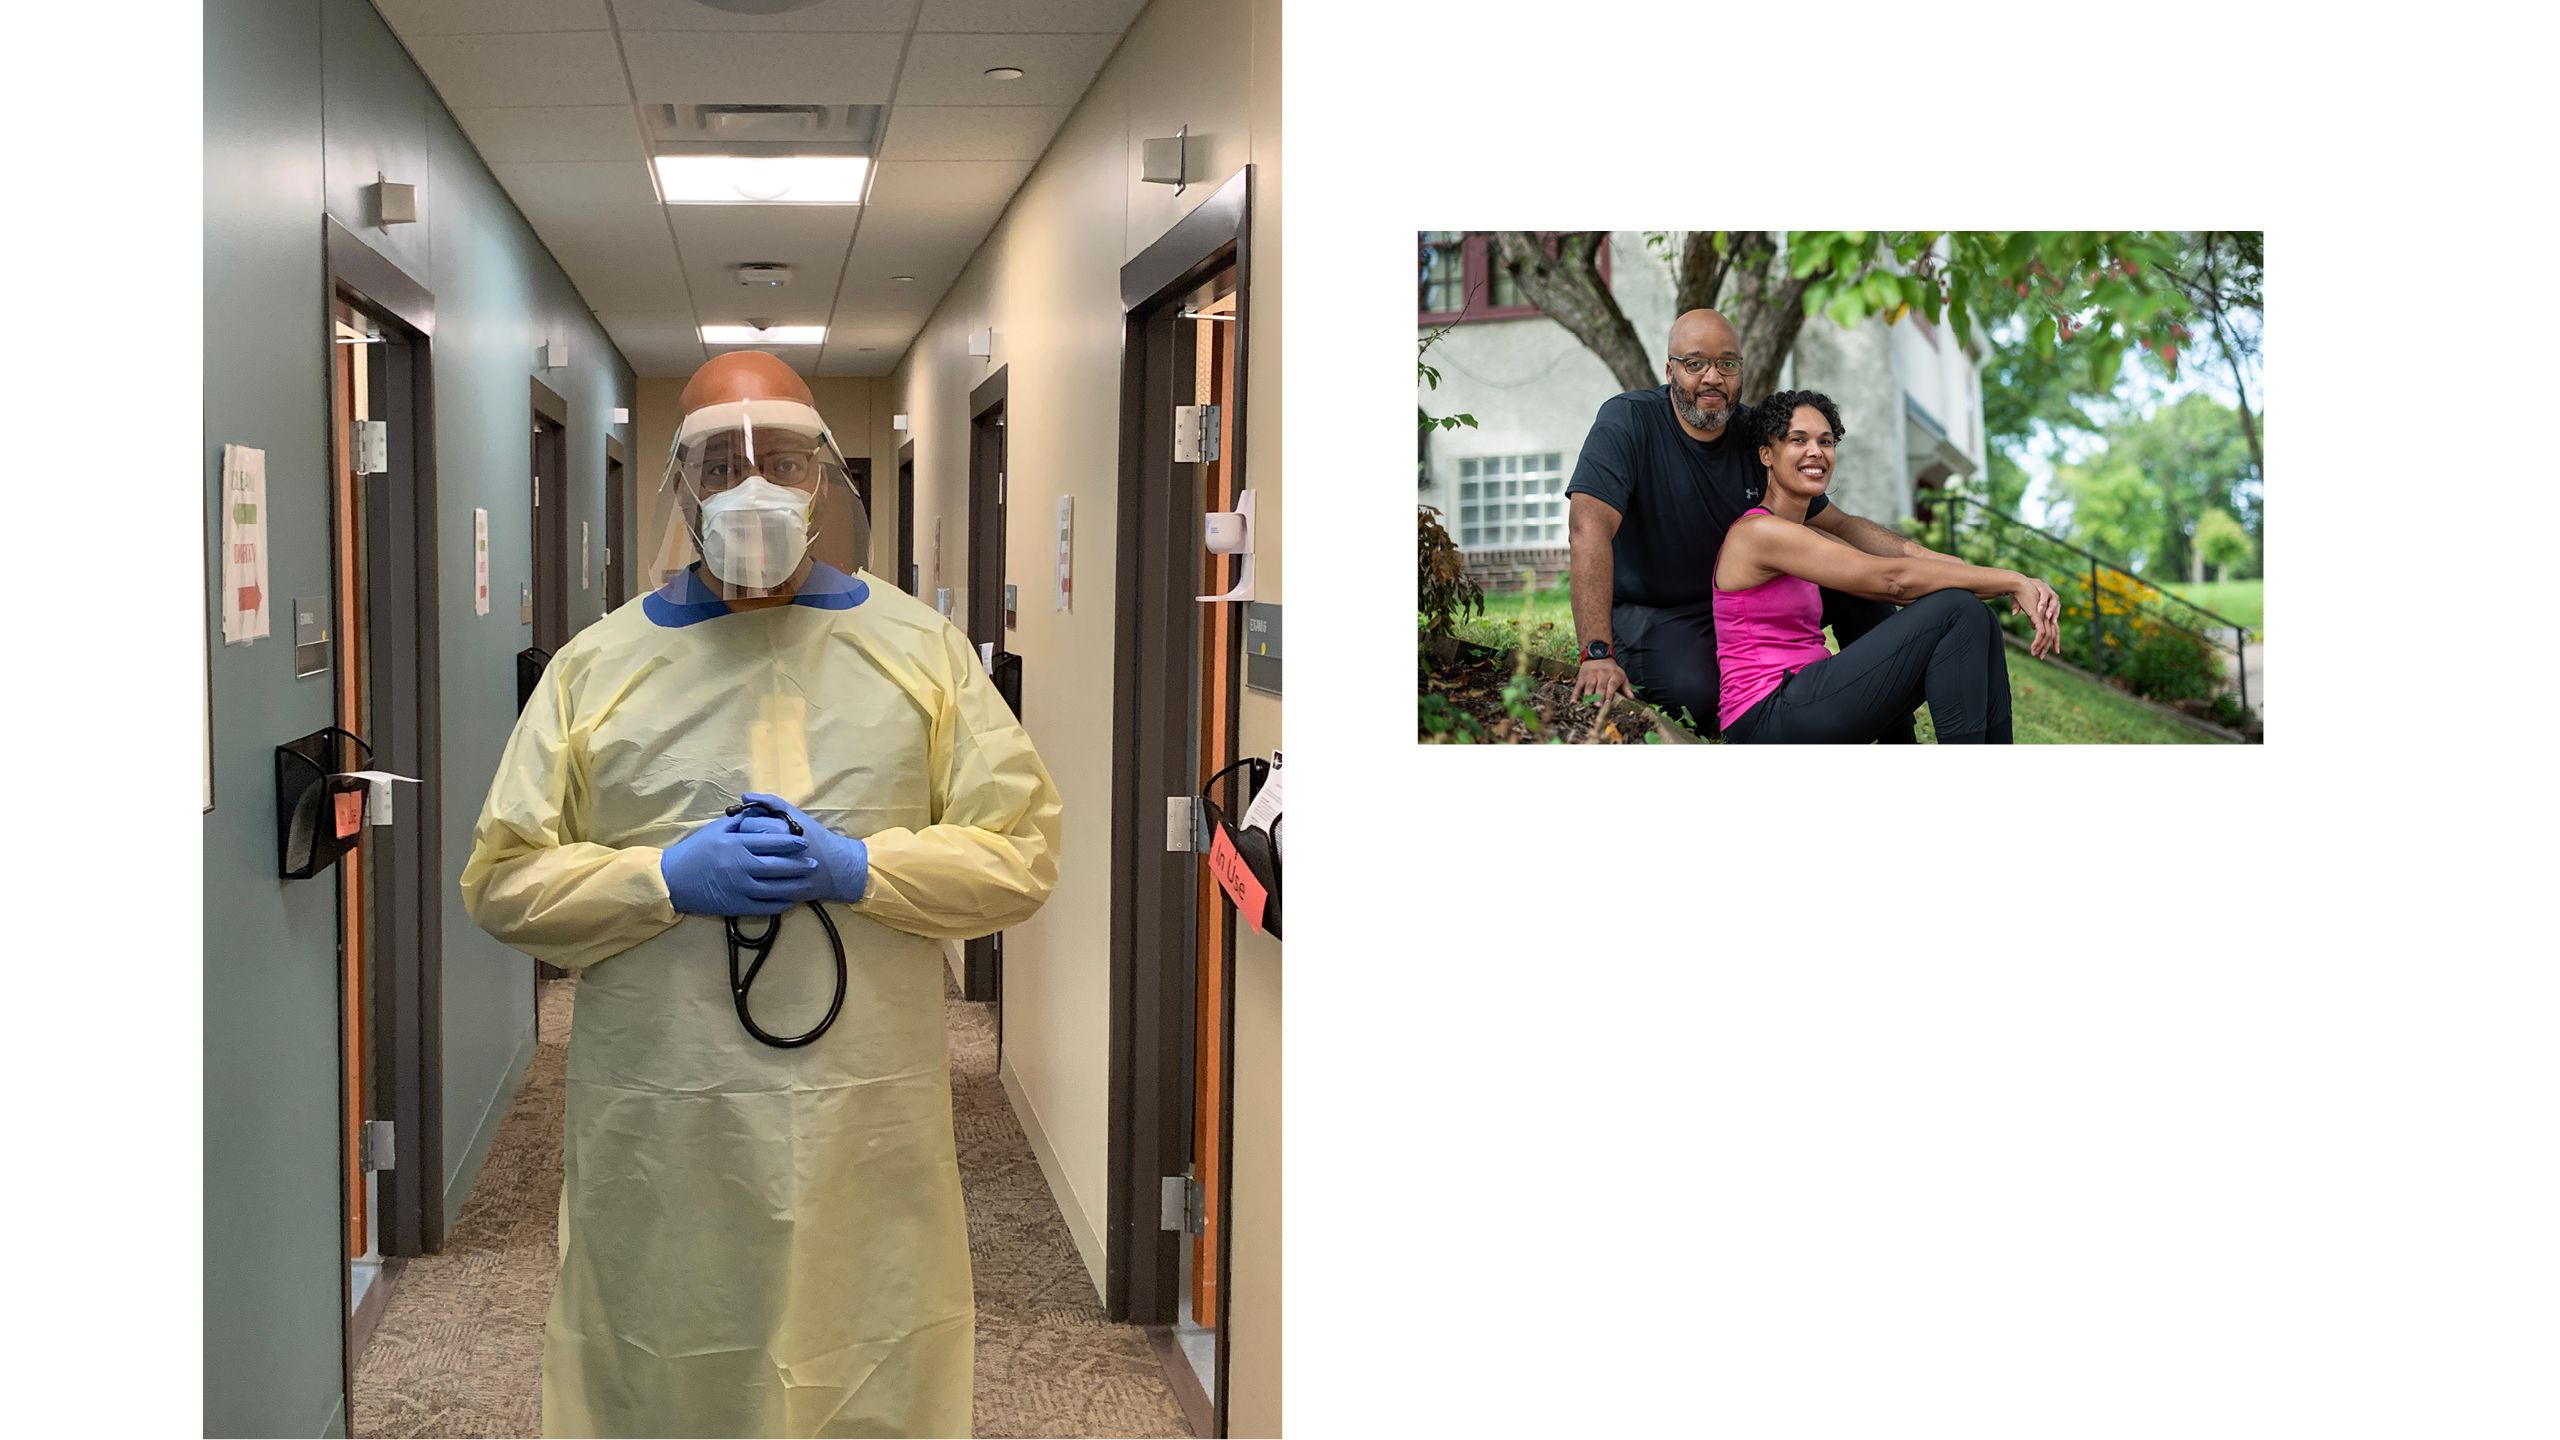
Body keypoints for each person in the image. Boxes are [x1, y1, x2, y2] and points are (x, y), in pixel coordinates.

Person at [460, 350, 1062, 1437]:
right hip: (663, 1113)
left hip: (861, 1114)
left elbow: (1019, 848)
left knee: (865, 1334)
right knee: (658, 1343)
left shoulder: (919, 652)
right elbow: (503, 881)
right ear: (679, 488)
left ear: (823, 477)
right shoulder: (596, 670)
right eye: (717, 461)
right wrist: (659, 881)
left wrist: (863, 869)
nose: (753, 486)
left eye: (780, 457)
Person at [1564, 308, 2050, 736]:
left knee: (1876, 588)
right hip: (1657, 613)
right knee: (1700, 695)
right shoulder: (1630, 422)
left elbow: (1846, 530)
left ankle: (1896, 732)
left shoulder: (1757, 435)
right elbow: (1589, 529)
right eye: (1695, 364)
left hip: (1741, 606)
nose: (1712, 377)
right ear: (1670, 370)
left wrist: (1955, 568)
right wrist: (1596, 650)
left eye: (1727, 364)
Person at [1713, 390, 2060, 743]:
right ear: (1766, 455)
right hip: (1765, 714)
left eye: (1826, 441)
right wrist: (2012, 581)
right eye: (1798, 440)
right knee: (1958, 611)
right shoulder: (1759, 533)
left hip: (1803, 695)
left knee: (1977, 615)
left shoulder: (1804, 534)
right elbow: (1892, 581)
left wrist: (2009, 582)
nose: (1816, 451)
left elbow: (1898, 573)